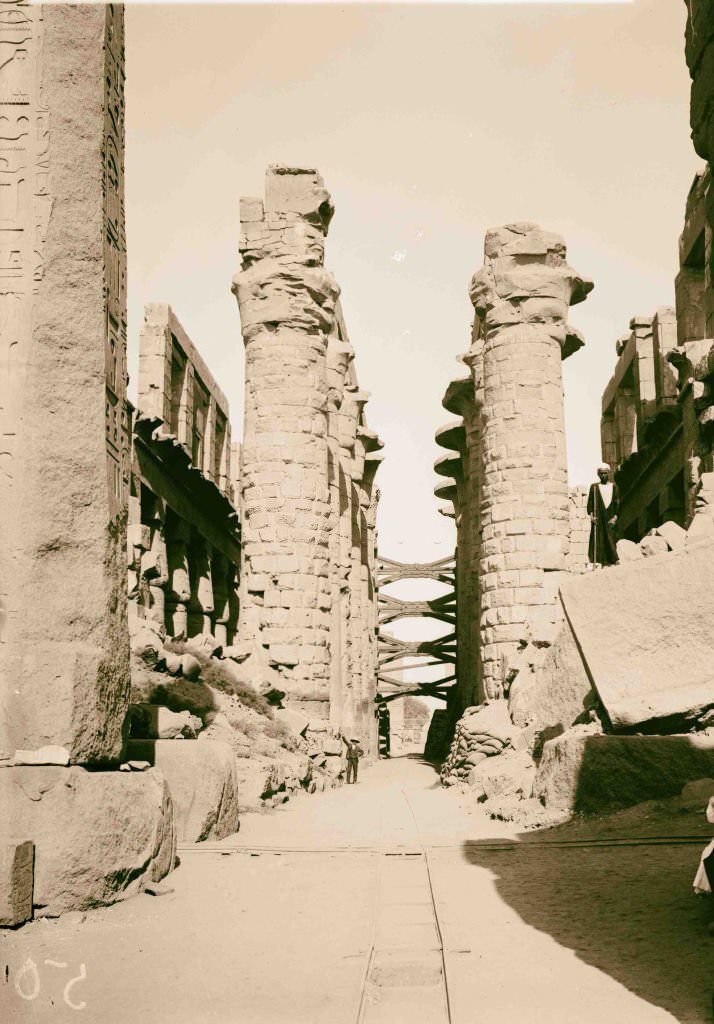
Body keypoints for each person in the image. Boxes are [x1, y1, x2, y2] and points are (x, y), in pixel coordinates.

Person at [587, 463, 619, 567]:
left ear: (609, 473)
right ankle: (598, 560)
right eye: (601, 473)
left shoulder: (614, 487)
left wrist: (615, 517)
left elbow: (617, 503)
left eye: (605, 473)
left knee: (610, 537)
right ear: (598, 474)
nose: (603, 475)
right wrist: (592, 517)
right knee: (598, 537)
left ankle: (613, 559)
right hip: (599, 516)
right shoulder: (594, 487)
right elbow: (590, 503)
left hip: (609, 516)